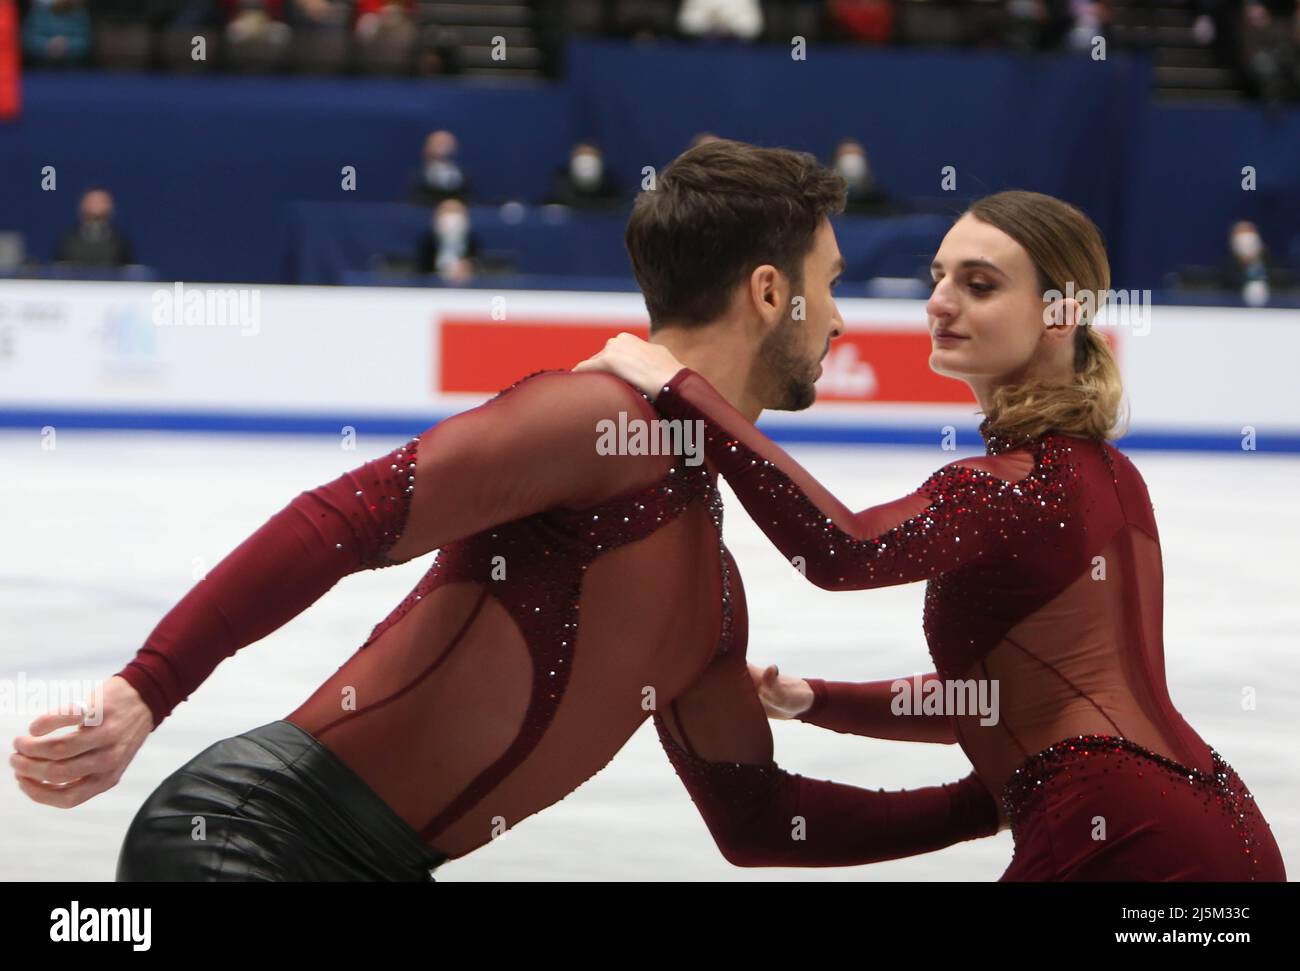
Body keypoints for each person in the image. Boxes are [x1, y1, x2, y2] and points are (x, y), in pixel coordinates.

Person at [11, 140, 1001, 881]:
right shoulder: (590, 417)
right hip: (246, 840)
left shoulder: (714, 594)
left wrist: (992, 800)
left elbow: (757, 819)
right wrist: (147, 687)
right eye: (827, 287)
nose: (837, 318)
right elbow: (341, 516)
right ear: (767, 290)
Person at [576, 188, 1287, 881]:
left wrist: (682, 390)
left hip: (1117, 831)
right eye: (938, 276)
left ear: (1060, 314)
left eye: (979, 285)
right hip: (1219, 826)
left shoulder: (1015, 483)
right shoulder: (1104, 473)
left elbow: (843, 550)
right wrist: (817, 697)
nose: (940, 301)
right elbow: (1006, 697)